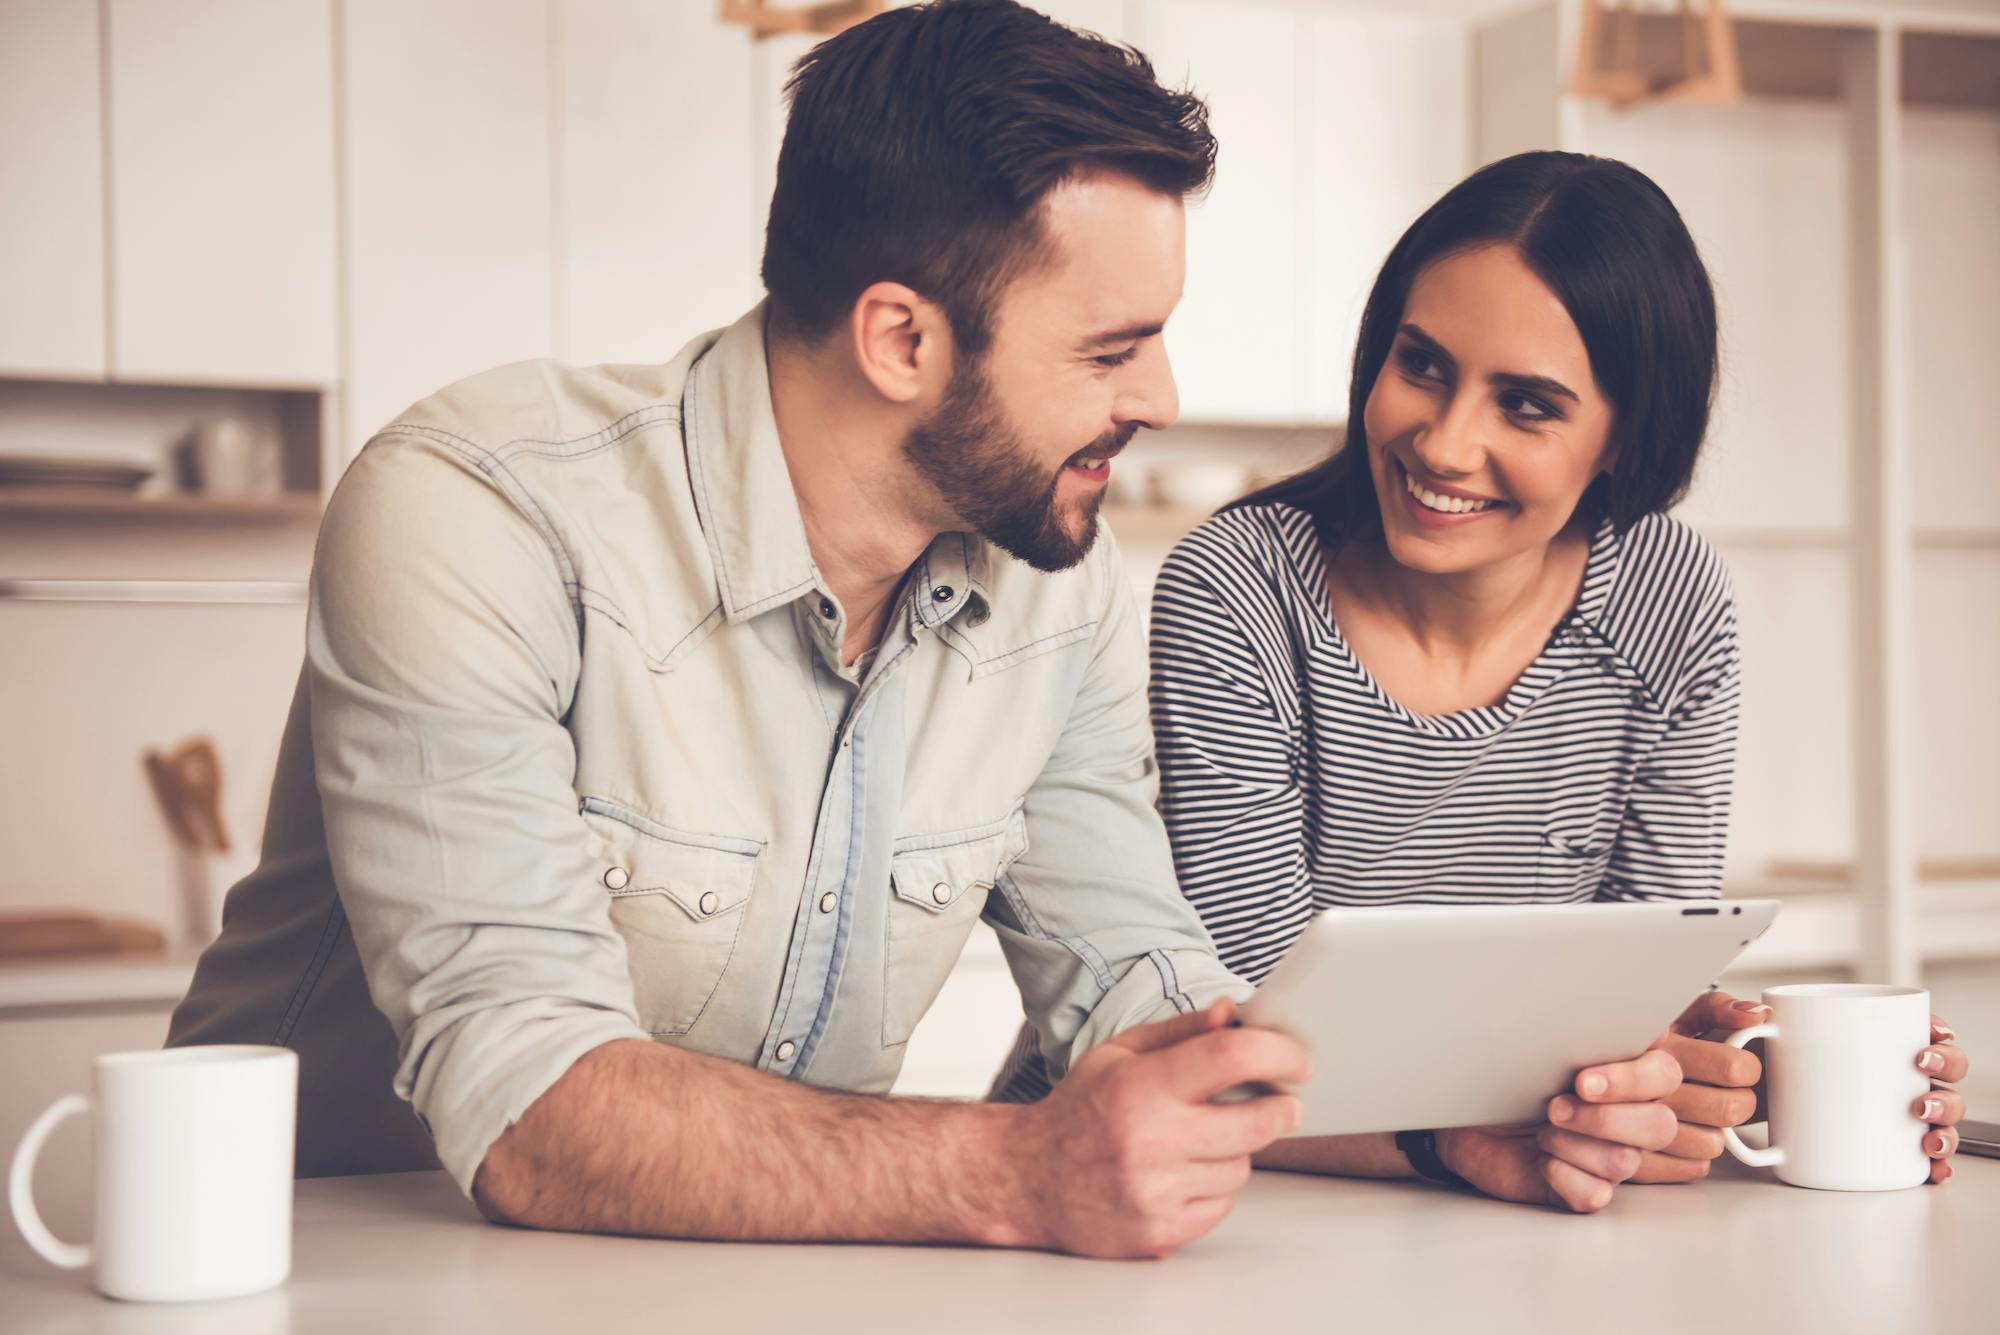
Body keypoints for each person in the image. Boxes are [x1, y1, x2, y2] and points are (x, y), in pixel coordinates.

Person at [168, 0, 1326, 1260]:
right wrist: (1018, 1170)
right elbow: (526, 1100)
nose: (1160, 398)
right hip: (319, 1269)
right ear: (901, 340)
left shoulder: (1061, 581)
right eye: (1113, 349)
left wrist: (1441, 1123)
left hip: (749, 1277)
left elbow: (1138, 988)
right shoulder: (478, 509)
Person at [995, 150, 1972, 1210]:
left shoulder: (1670, 603)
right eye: (1421, 366)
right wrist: (1536, 1102)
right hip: (1152, 1182)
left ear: (1623, 440)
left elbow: (1632, 989)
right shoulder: (1240, 589)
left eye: (1527, 406)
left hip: (1452, 1193)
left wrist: (1754, 1071)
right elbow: (1249, 1030)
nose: (1445, 443)